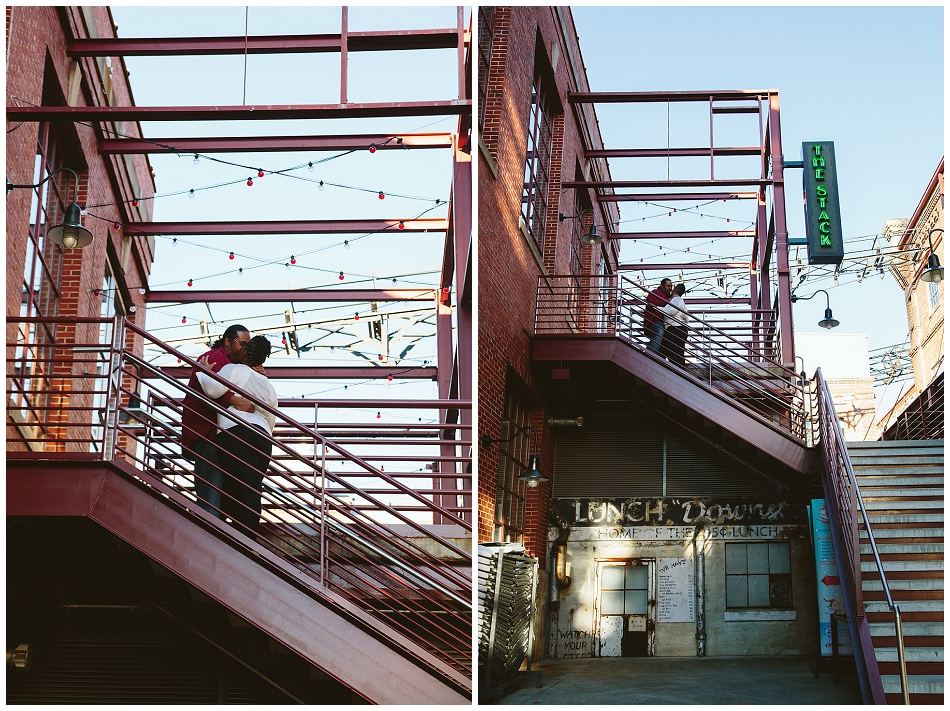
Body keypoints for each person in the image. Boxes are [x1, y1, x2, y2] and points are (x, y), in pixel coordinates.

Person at [197, 336, 277, 536]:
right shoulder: (268, 385)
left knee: (237, 489)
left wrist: (205, 372)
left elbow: (212, 389)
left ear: (245, 351)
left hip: (237, 433)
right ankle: (246, 540)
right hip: (264, 439)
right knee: (250, 490)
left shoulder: (235, 370)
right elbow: (271, 418)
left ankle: (242, 542)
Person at [181, 324, 256, 519]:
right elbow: (205, 390)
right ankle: (206, 540)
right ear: (228, 342)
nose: (246, 349)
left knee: (222, 498)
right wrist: (234, 400)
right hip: (209, 434)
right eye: (243, 344)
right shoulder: (213, 358)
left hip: (224, 438)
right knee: (211, 496)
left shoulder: (237, 366)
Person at [661, 283, 690, 367]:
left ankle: (677, 373)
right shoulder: (681, 301)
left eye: (673, 287)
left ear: (676, 290)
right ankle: (681, 375)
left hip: (674, 329)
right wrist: (680, 316)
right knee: (679, 354)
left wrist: (657, 308)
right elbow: (687, 319)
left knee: (669, 352)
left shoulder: (676, 299)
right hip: (682, 329)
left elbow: (672, 311)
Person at [643, 278, 673, 353]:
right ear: (662, 286)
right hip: (654, 320)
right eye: (668, 286)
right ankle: (649, 354)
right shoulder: (655, 292)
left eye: (671, 286)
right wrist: (667, 302)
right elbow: (651, 301)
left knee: (663, 341)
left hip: (664, 322)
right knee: (659, 332)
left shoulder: (670, 297)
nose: (670, 288)